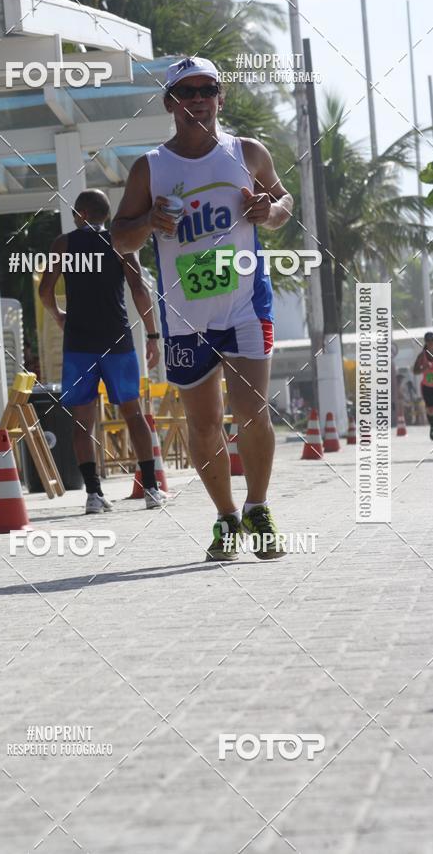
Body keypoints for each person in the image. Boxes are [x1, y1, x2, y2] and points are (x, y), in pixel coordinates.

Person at [110, 56, 293, 560]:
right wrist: (149, 221)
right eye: (186, 92)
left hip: (245, 305)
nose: (197, 100)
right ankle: (226, 517)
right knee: (205, 422)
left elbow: (283, 200)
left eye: (206, 89)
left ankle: (258, 507)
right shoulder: (152, 167)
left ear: (220, 97)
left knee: (253, 410)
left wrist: (270, 211)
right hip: (186, 315)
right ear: (170, 103)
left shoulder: (246, 152)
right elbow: (120, 239)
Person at [39, 189, 164, 513]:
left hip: (79, 344)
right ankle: (151, 488)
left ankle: (93, 495)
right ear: (105, 216)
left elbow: (45, 289)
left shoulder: (63, 244)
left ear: (81, 214)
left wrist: (58, 316)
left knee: (83, 421)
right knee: (133, 415)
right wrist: (152, 334)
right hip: (117, 341)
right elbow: (139, 288)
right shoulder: (120, 242)